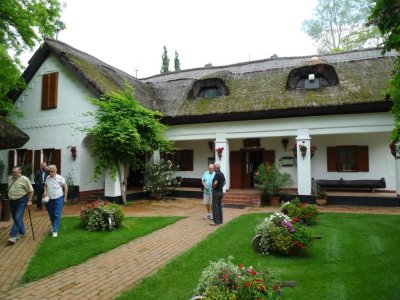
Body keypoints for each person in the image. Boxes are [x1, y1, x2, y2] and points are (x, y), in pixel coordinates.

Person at [7, 166, 34, 244]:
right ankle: (22, 232)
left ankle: (13, 236)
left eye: (15, 172)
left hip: (21, 200)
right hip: (12, 201)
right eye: (13, 172)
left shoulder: (25, 179)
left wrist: (29, 200)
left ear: (20, 172)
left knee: (18, 216)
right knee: (16, 217)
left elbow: (31, 191)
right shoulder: (10, 178)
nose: (14, 174)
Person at [44, 165, 68, 237]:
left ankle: (55, 230)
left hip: (58, 198)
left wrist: (65, 197)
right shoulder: (47, 178)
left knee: (57, 214)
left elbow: (65, 187)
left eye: (52, 171)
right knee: (51, 215)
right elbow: (45, 185)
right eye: (49, 172)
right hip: (50, 198)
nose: (50, 173)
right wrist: (45, 192)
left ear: (55, 171)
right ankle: (54, 226)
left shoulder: (60, 178)